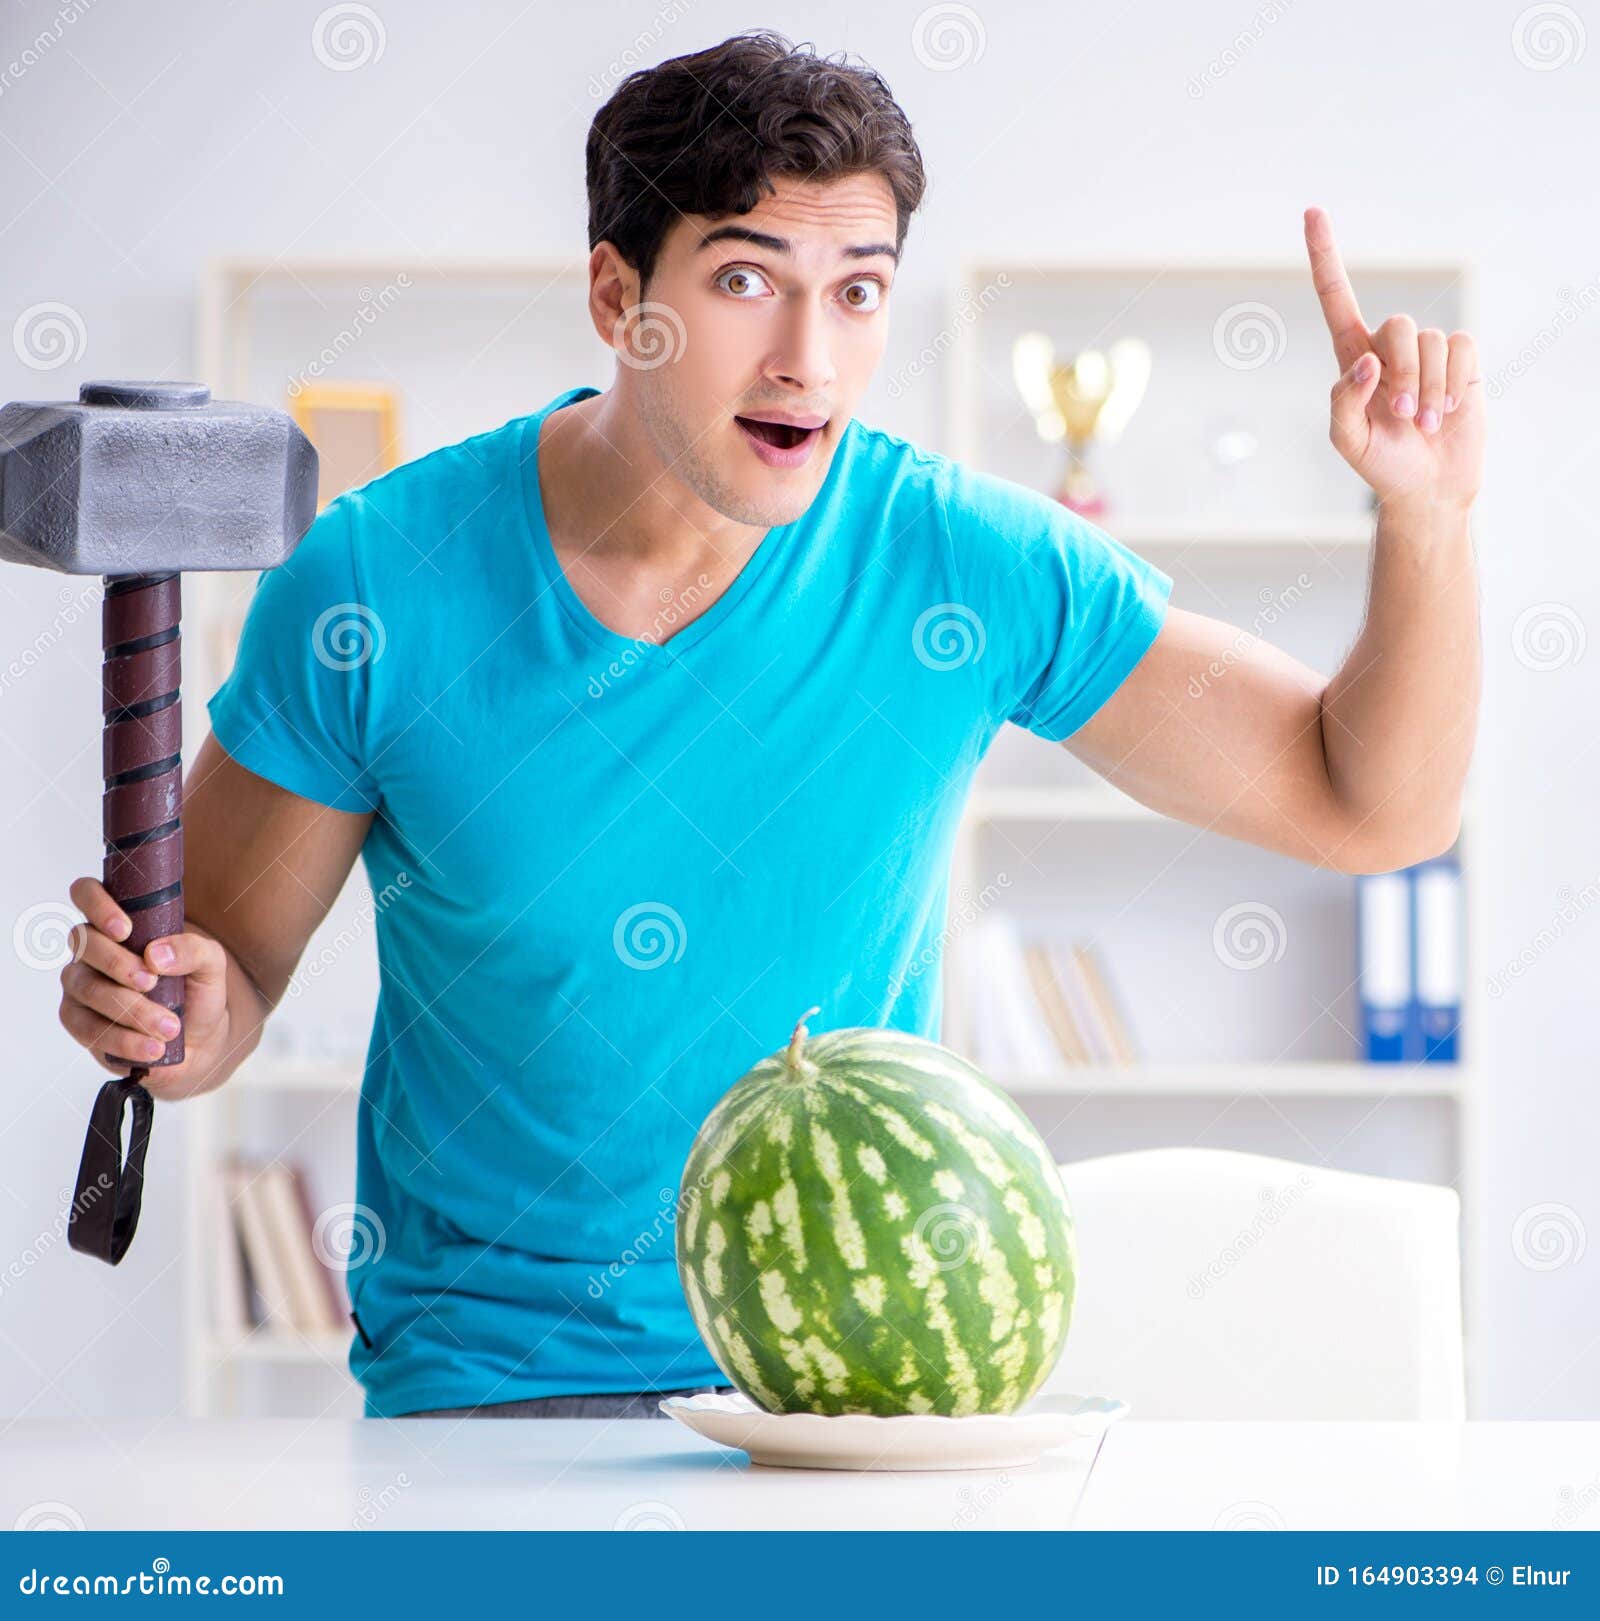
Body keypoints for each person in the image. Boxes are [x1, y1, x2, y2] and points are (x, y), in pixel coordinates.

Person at [55, 31, 1483, 1420]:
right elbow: (220, 994)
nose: (809, 355)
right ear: (620, 298)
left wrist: (1422, 514)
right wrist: (164, 1016)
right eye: (747, 279)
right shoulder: (378, 582)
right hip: (494, 1397)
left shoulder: (962, 566)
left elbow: (1372, 805)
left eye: (858, 291)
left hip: (854, 1399)